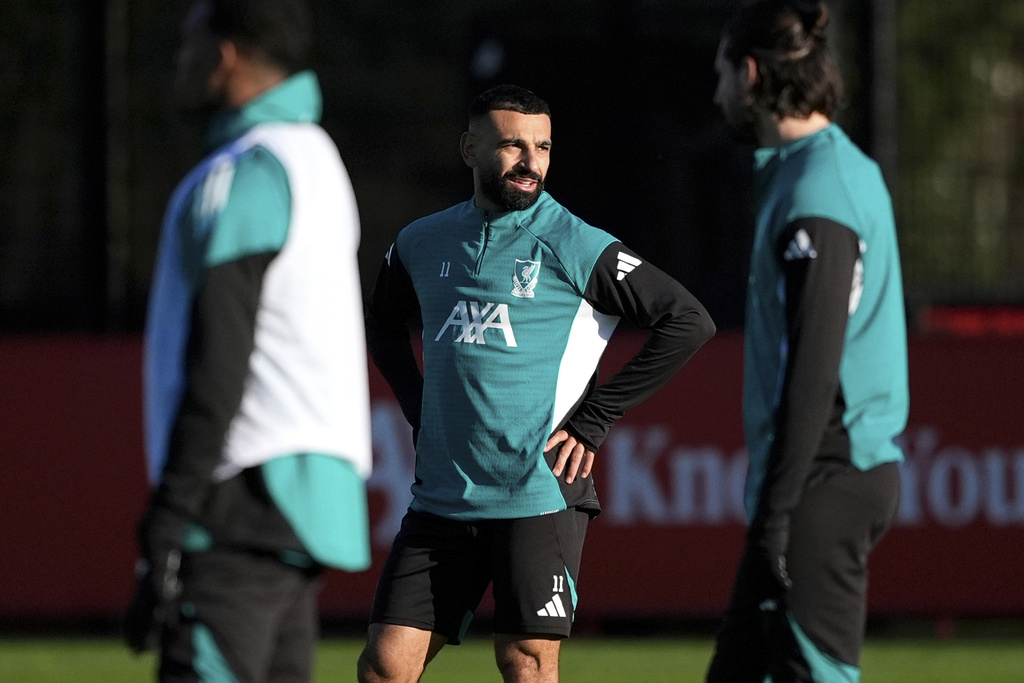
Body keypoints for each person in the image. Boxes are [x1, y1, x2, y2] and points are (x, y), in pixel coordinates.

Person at [356, 84, 715, 683]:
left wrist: (595, 420)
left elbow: (688, 321)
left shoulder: (575, 243)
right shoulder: (421, 241)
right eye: (512, 146)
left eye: (542, 147)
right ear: (470, 149)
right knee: (386, 664)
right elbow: (382, 323)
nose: (530, 162)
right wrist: (420, 407)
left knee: (524, 662)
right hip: (443, 496)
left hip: (539, 494)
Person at [123, 1, 373, 680]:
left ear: (224, 55)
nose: (180, 61)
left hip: (241, 494)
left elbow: (220, 355)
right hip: (305, 503)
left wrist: (170, 514)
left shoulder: (247, 170)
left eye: (188, 43)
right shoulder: (319, 159)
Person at [707, 1, 909, 682]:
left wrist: (779, 515)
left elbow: (814, 369)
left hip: (821, 485)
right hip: (809, 484)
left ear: (753, 73)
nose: (718, 94)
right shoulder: (813, 173)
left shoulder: (819, 190)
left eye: (724, 76)